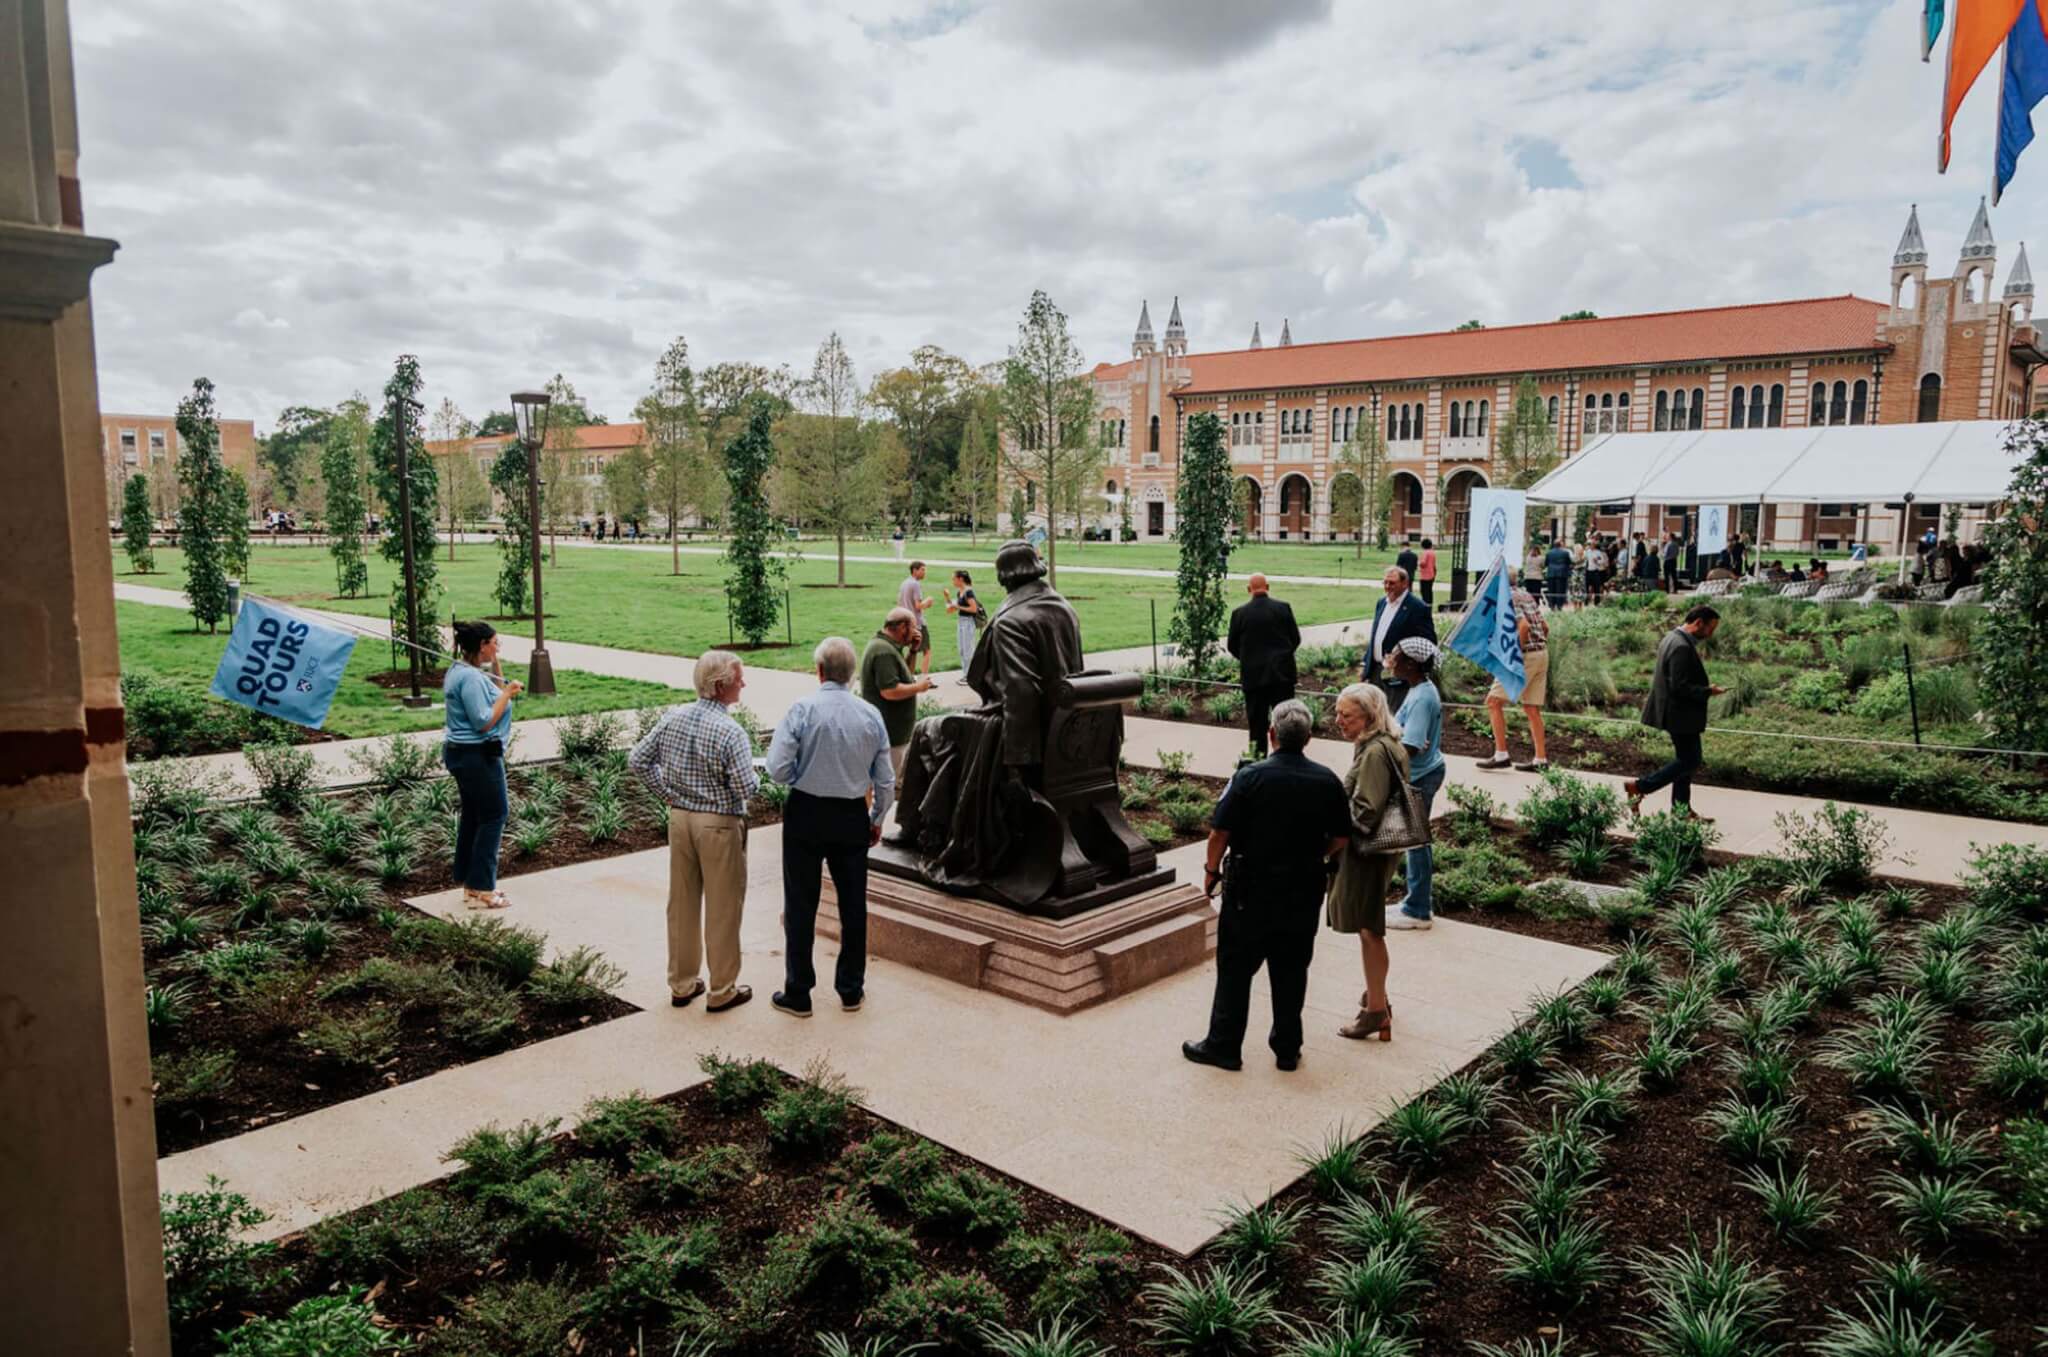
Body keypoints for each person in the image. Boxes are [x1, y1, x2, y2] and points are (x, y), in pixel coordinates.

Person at [1181, 701, 1350, 1072]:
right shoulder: (1327, 781)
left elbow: (1218, 833)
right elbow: (1341, 836)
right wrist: (1314, 855)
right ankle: (1287, 1049)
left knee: (1235, 968)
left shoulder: (1249, 778)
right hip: (1302, 890)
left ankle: (1224, 1045)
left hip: (1250, 891)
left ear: (1271, 735)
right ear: (1308, 739)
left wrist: (1211, 872)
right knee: (1292, 968)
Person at [766, 637, 895, 1019]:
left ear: (819, 670)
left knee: (800, 903)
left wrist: (801, 775)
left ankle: (799, 992)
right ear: (851, 674)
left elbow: (777, 767)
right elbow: (885, 780)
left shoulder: (802, 710)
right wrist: (876, 819)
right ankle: (851, 989)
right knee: (853, 904)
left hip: (806, 810)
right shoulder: (870, 715)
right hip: (852, 813)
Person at [628, 651, 760, 1012]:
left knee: (682, 903)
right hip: (718, 824)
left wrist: (666, 794)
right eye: (738, 678)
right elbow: (746, 788)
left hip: (680, 819)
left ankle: (683, 984)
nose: (743, 683)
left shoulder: (673, 718)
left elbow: (637, 760)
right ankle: (722, 990)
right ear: (720, 686)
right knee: (723, 908)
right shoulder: (731, 732)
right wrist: (757, 776)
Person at [1328, 683, 1410, 1041]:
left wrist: (1331, 828)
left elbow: (1366, 809)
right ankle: (1378, 998)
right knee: (1368, 927)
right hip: (1377, 850)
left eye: (1346, 715)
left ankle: (1376, 1010)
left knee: (1369, 929)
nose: (1338, 721)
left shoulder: (1376, 752)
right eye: (1337, 713)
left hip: (1368, 851)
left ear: (1370, 716)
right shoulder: (1379, 745)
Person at [443, 621, 522, 910]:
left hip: (462, 754)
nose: (497, 647)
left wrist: (499, 670)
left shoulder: (462, 671)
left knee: (475, 817)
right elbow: (483, 720)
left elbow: (495, 689)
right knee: (495, 815)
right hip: (477, 755)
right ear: (481, 645)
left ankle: (471, 884)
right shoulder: (470, 679)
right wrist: (508, 694)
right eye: (495, 643)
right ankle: (484, 889)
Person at [1624, 604, 1724, 821]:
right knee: (1691, 760)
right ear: (1699, 623)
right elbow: (1679, 686)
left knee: (1685, 759)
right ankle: (1640, 787)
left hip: (1674, 712)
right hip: (1679, 714)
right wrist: (1708, 691)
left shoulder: (1671, 637)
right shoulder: (1681, 646)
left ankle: (1681, 810)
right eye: (1710, 628)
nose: (1711, 634)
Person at [1385, 638, 1445, 931]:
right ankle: (1415, 901)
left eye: (1396, 655)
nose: (1390, 659)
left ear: (1411, 663)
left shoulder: (1422, 698)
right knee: (1416, 841)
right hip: (1423, 773)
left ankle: (1418, 910)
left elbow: (1410, 745)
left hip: (1420, 775)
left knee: (1416, 842)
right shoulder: (1420, 690)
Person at [1477, 576, 1552, 773]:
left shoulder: (1506, 597)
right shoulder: (1526, 595)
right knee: (1532, 708)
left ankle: (1501, 754)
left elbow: (1524, 626)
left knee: (1493, 702)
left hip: (1525, 655)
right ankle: (1540, 759)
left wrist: (1512, 655)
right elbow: (1544, 627)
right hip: (1541, 653)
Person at [1227, 572, 1301, 758]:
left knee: (1257, 726)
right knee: (1286, 724)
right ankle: (1287, 759)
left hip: (1254, 679)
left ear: (1248, 589)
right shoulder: (1283, 608)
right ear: (1267, 587)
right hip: (1281, 677)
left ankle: (1259, 762)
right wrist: (1282, 658)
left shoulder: (1239, 614)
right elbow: (1295, 639)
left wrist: (1249, 659)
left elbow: (1232, 646)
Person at [860, 607, 935, 780]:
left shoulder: (889, 647)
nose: (916, 632)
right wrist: (920, 687)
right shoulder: (883, 651)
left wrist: (914, 651)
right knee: (886, 788)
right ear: (903, 627)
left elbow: (905, 677)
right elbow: (890, 691)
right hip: (890, 736)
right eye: (914, 627)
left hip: (894, 736)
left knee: (890, 785)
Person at [1360, 565, 1436, 714]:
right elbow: (1376, 635)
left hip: (1398, 673)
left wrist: (1404, 659)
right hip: (1376, 670)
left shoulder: (1417, 607)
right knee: (1375, 715)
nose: (1388, 587)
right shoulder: (1381, 603)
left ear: (1405, 584)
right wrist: (1365, 664)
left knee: (1394, 716)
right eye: (1385, 582)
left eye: (1392, 583)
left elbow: (1429, 642)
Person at [898, 560, 936, 678]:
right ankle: (923, 679)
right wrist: (928, 602)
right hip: (918, 623)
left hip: (905, 622)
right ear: (915, 570)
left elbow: (900, 603)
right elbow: (918, 606)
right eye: (922, 570)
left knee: (910, 651)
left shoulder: (904, 583)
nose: (924, 573)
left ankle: (905, 677)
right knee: (927, 651)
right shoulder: (915, 584)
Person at [943, 569, 983, 677]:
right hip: (961, 622)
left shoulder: (969, 592)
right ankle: (966, 674)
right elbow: (950, 610)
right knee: (962, 649)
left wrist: (958, 606)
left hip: (968, 623)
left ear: (960, 579)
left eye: (954, 579)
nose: (952, 581)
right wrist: (947, 597)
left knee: (968, 650)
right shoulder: (959, 592)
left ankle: (970, 676)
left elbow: (974, 609)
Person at [1543, 536, 1573, 609]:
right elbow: (1569, 563)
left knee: (1551, 590)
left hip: (1551, 574)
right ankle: (1559, 606)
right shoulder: (1565, 553)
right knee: (1561, 591)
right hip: (1562, 574)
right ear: (1561, 544)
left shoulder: (1549, 553)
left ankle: (1552, 605)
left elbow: (1546, 563)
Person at [1585, 538, 1609, 603]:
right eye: (1590, 544)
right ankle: (1586, 601)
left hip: (1595, 571)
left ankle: (1597, 602)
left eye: (1592, 544)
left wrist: (1597, 561)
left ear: (1595, 545)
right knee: (1587, 587)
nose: (1591, 545)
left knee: (1596, 587)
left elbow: (1603, 561)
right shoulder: (1587, 552)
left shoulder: (1598, 552)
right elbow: (1584, 559)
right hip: (1588, 571)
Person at [1416, 538, 1438, 605]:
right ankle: (1430, 605)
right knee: (1429, 591)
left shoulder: (1425, 553)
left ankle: (1425, 605)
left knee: (1424, 592)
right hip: (1431, 574)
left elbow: (1423, 563)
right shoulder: (1433, 553)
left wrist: (1418, 562)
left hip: (1425, 576)